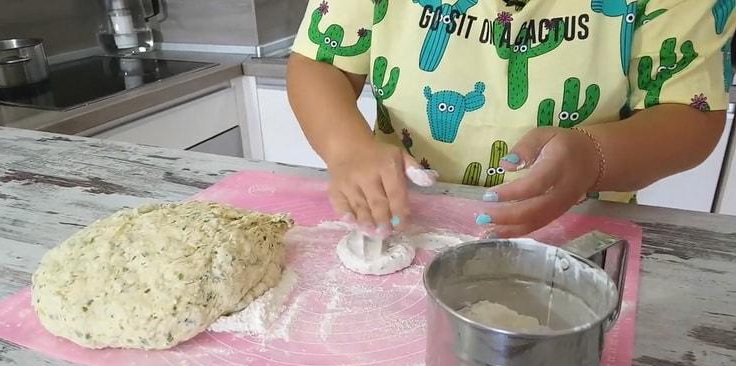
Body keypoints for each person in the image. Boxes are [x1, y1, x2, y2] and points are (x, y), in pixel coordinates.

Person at [286, 0, 736, 238]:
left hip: (578, 232)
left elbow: (689, 112)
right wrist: (348, 149)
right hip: (407, 220)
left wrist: (592, 157)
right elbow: (320, 62)